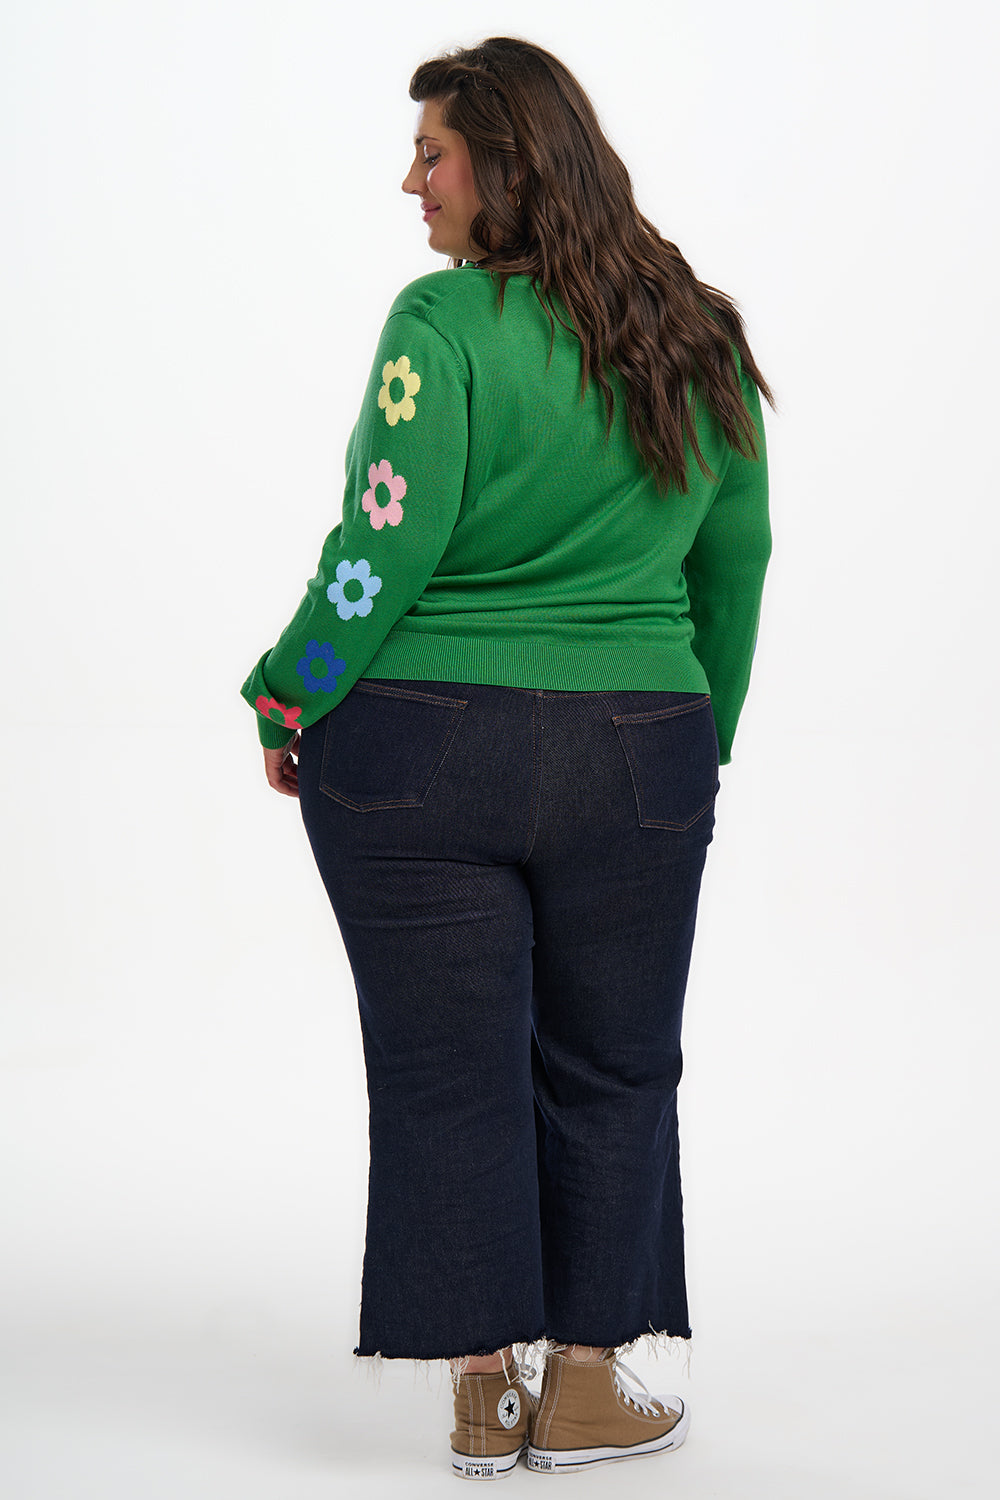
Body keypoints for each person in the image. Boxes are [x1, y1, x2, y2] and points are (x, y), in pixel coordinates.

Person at [241, 36, 772, 1480]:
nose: (409, 178)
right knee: (615, 1064)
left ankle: (485, 1392)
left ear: (508, 164)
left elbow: (386, 539)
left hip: (420, 752)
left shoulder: (442, 325)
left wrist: (290, 694)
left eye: (433, 151)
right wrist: (691, 741)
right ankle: (588, 1385)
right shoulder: (695, 333)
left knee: (447, 1071)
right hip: (639, 755)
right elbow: (740, 560)